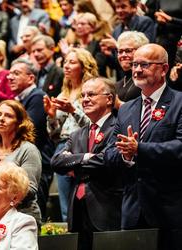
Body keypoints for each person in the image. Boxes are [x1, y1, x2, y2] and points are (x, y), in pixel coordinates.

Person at [104, 43, 182, 250]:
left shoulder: (179, 102)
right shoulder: (126, 109)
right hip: (132, 209)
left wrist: (139, 149)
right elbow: (111, 153)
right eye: (135, 64)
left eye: (145, 65)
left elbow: (180, 147)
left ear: (164, 69)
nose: (137, 70)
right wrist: (126, 156)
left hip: (170, 209)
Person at [51, 77, 122, 250]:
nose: (85, 99)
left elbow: (106, 160)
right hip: (78, 210)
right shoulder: (77, 134)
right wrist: (85, 157)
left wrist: (74, 161)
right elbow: (56, 162)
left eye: (91, 94)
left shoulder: (118, 127)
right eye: (83, 95)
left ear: (109, 99)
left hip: (106, 207)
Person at [44, 48, 98, 221]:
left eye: (72, 62)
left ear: (84, 67)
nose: (66, 66)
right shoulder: (63, 93)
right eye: (65, 62)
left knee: (85, 200)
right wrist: (51, 117)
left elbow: (95, 125)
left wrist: (73, 110)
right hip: (62, 146)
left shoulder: (91, 90)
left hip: (84, 146)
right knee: (66, 205)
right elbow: (54, 134)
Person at [7, 59, 55, 221]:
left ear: (31, 78)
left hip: (38, 163)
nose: (10, 77)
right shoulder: (18, 100)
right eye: (9, 74)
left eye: (16, 73)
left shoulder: (37, 97)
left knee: (33, 214)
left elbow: (30, 130)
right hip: (24, 161)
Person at [115, 31, 149, 108]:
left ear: (141, 50)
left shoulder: (148, 79)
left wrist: (119, 105)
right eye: (120, 52)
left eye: (128, 51)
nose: (123, 55)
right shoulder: (117, 84)